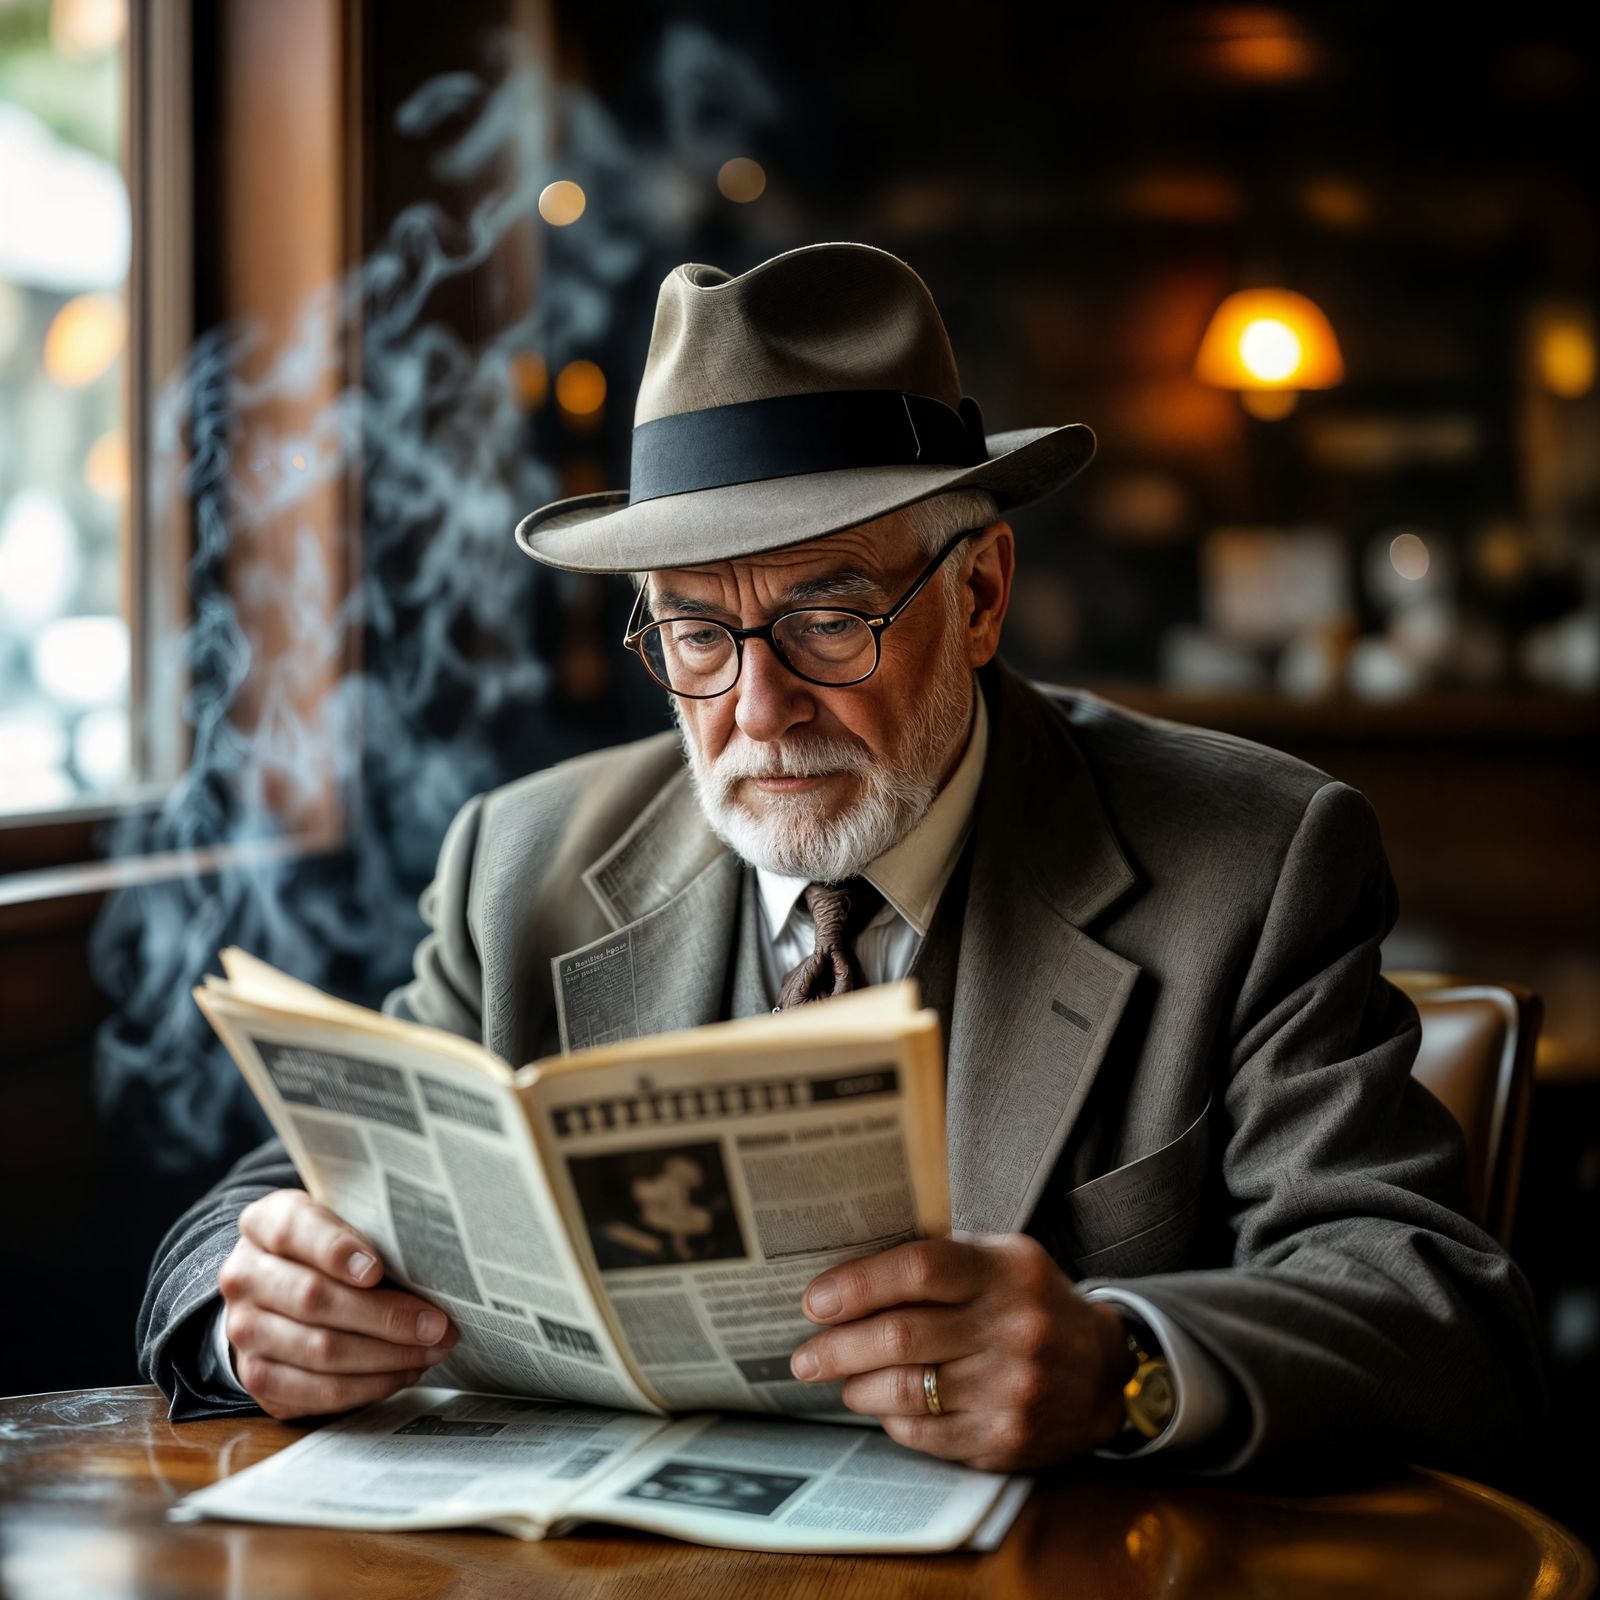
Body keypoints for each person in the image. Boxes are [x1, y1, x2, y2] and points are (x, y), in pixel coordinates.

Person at [139, 242, 1543, 1474]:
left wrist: (1125, 1362)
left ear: (980, 593)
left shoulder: (1254, 859)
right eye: (695, 633)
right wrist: (256, 1304)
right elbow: (258, 1210)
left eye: (830, 618)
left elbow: (1432, 1309)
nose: (758, 711)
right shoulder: (520, 865)